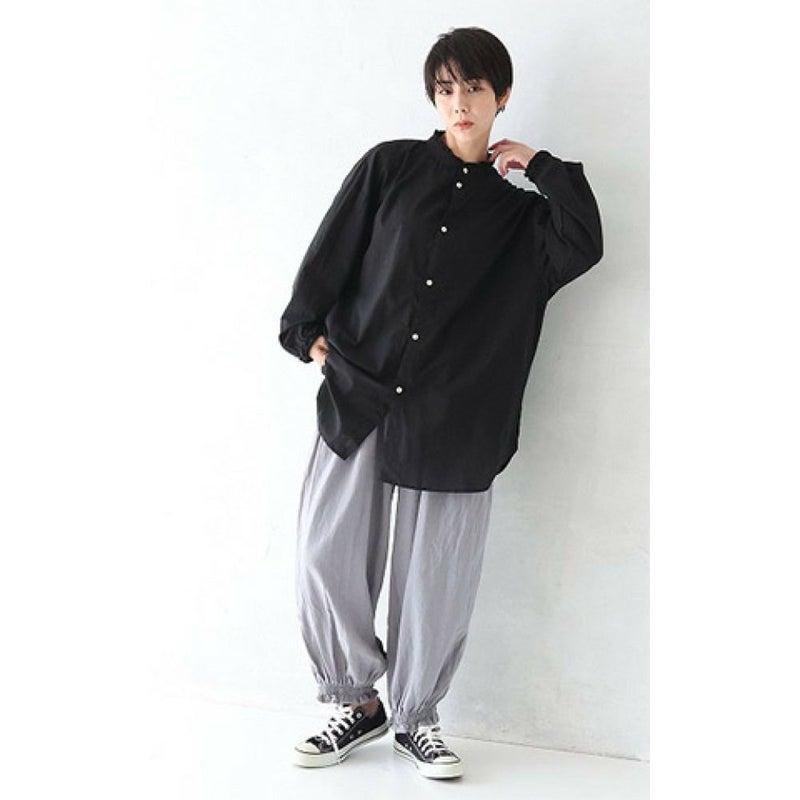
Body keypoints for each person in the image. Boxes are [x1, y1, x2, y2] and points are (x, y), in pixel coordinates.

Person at [278, 26, 603, 780]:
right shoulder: (389, 167)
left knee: (436, 577)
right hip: (361, 394)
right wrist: (312, 341)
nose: (459, 102)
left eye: (475, 88)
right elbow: (331, 253)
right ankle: (357, 701)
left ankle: (417, 716)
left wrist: (540, 167)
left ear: (502, 97)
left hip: (455, 417)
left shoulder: (521, 219)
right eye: (446, 88)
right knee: (325, 555)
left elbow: (585, 240)